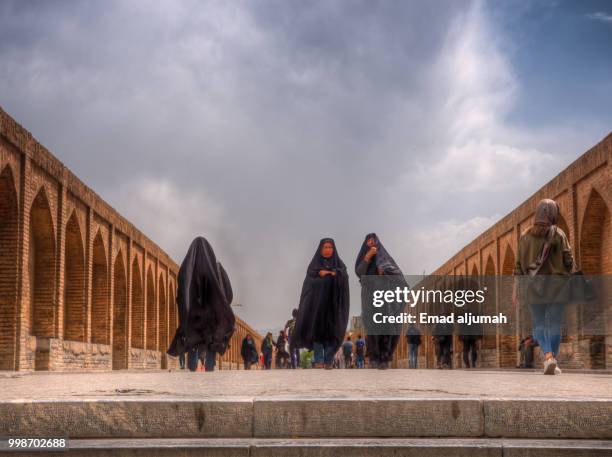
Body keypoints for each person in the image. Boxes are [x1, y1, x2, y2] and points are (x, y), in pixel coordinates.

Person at [513, 199, 573, 375]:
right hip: (557, 287)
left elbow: (518, 267)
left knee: (538, 324)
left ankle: (547, 357)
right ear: (553, 214)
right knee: (555, 324)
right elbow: (569, 261)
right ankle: (552, 359)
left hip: (533, 288)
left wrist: (516, 289)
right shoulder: (559, 234)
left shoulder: (524, 237)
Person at [167, 237, 235, 372]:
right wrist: (223, 305)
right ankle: (210, 367)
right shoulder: (218, 270)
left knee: (194, 339)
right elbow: (229, 292)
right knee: (211, 340)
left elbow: (181, 291)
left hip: (194, 315)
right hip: (213, 315)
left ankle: (192, 367)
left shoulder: (187, 267)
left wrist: (184, 309)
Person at [294, 238, 350, 370]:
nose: (328, 250)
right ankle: (319, 360)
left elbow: (345, 278)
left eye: (330, 247)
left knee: (332, 333)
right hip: (317, 307)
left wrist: (336, 274)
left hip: (333, 306)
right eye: (325, 247)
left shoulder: (339, 264)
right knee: (318, 334)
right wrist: (319, 274)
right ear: (320, 249)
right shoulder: (313, 266)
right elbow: (308, 284)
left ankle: (329, 360)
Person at [355, 233, 405, 370]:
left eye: (373, 240)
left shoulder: (385, 258)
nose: (371, 242)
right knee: (371, 327)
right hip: (368, 296)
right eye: (368, 241)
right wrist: (368, 257)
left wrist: (385, 272)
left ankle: (384, 357)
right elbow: (359, 272)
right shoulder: (364, 257)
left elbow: (397, 275)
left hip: (384, 296)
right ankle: (374, 357)